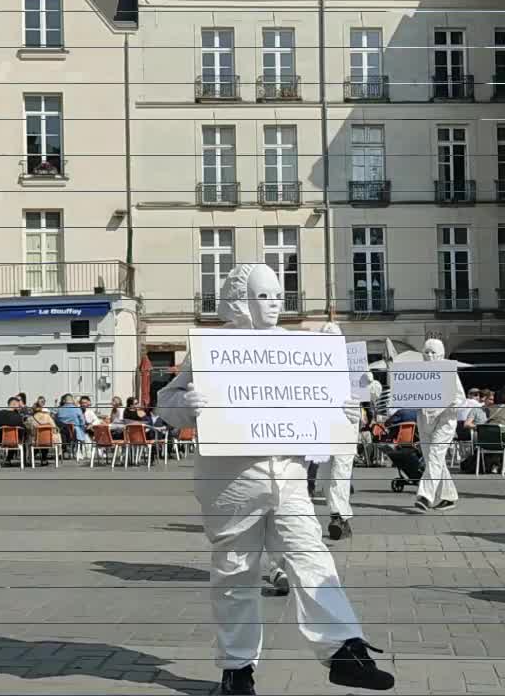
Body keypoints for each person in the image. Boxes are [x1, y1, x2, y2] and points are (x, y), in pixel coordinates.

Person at [156, 263, 393, 694]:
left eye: (279, 295)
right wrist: (188, 404)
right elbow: (165, 404)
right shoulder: (215, 350)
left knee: (311, 557)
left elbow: (325, 403)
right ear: (240, 302)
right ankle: (237, 668)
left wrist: (341, 412)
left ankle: (344, 650)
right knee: (236, 574)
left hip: (287, 474)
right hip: (231, 480)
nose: (276, 303)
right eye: (265, 296)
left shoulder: (295, 348)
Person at [308, 321, 364, 541]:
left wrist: (366, 386)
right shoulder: (312, 366)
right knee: (326, 473)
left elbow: (361, 393)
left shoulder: (351, 363)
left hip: (346, 424)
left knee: (340, 471)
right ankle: (339, 516)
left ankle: (338, 516)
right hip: (324, 425)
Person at [413, 339, 464, 512]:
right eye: (426, 351)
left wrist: (449, 404)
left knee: (435, 455)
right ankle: (449, 496)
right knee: (432, 459)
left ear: (441, 354)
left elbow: (460, 398)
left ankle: (425, 496)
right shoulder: (417, 373)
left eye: (433, 352)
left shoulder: (449, 372)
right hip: (424, 417)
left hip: (445, 420)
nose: (429, 355)